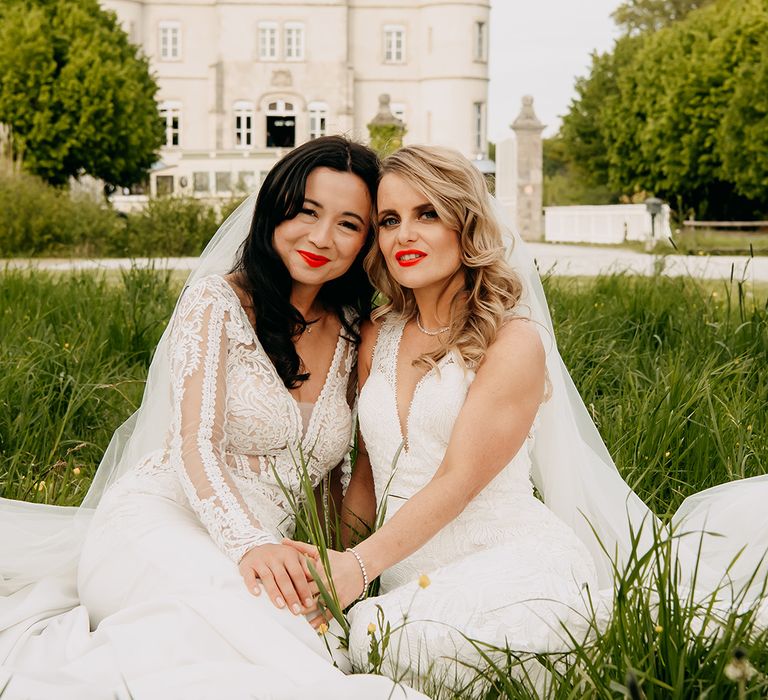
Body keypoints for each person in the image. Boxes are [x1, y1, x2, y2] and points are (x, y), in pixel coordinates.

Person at [286, 145, 768, 692]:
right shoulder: (377, 335)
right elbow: (368, 479)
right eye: (390, 220)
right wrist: (329, 573)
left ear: (464, 225)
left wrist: (356, 568)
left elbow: (458, 481)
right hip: (400, 570)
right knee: (338, 635)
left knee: (385, 636)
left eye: (428, 214)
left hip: (510, 558)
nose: (404, 236)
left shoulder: (512, 341)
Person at [0, 136, 426, 699]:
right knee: (247, 619)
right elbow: (192, 445)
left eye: (349, 224)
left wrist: (333, 571)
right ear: (276, 209)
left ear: (367, 240)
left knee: (278, 636)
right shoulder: (216, 303)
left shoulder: (355, 331)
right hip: (158, 524)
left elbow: (330, 481)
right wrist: (249, 544)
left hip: (264, 556)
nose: (322, 237)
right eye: (306, 211)